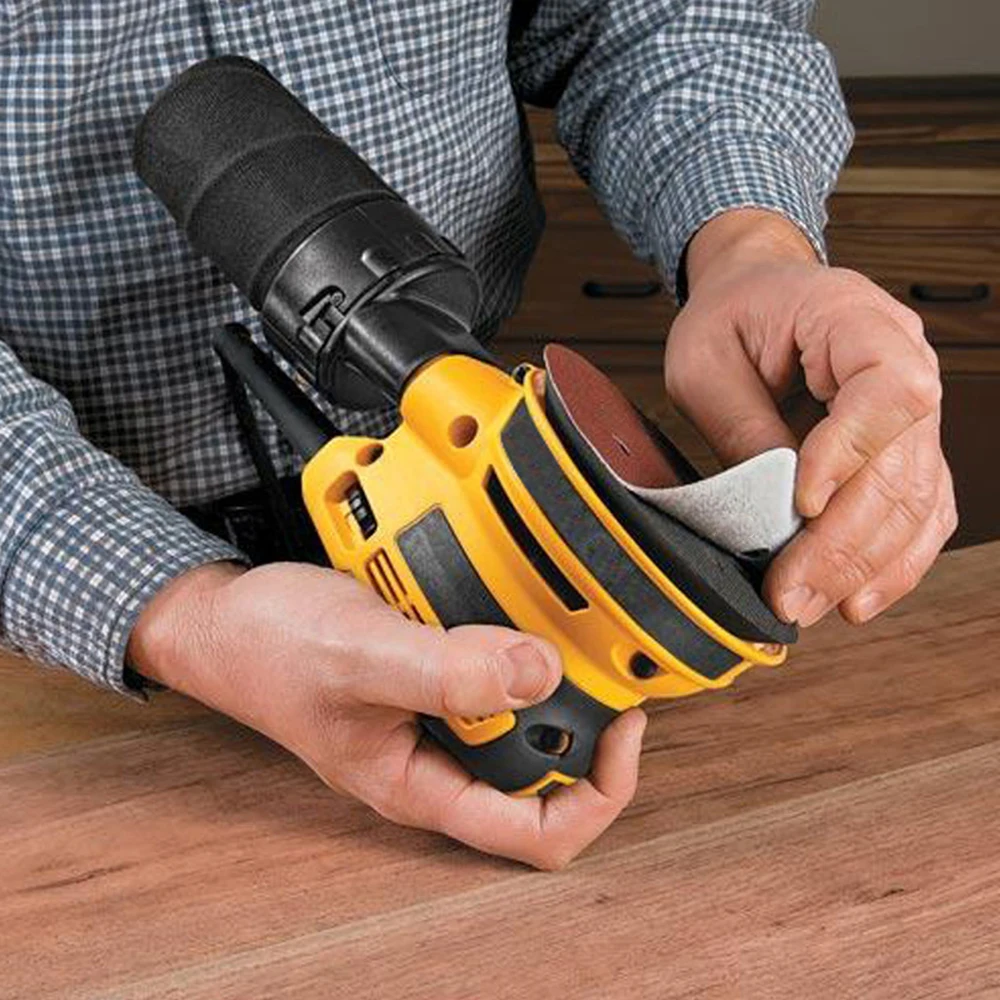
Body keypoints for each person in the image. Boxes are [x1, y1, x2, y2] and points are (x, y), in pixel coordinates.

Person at [0, 1, 954, 870]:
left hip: (489, 499)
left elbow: (662, 16)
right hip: (72, 624)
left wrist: (749, 247)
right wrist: (182, 616)